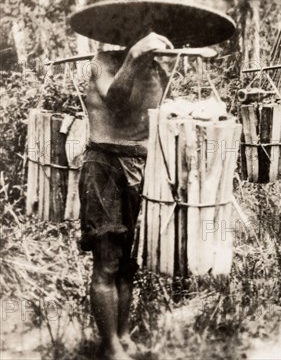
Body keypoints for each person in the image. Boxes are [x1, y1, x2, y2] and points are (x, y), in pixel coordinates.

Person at [78, 31, 173, 360]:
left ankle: (123, 337)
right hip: (104, 167)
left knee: (128, 266)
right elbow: (116, 100)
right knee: (107, 262)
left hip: (141, 171)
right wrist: (134, 57)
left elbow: (155, 124)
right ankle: (110, 347)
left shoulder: (157, 70)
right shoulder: (102, 62)